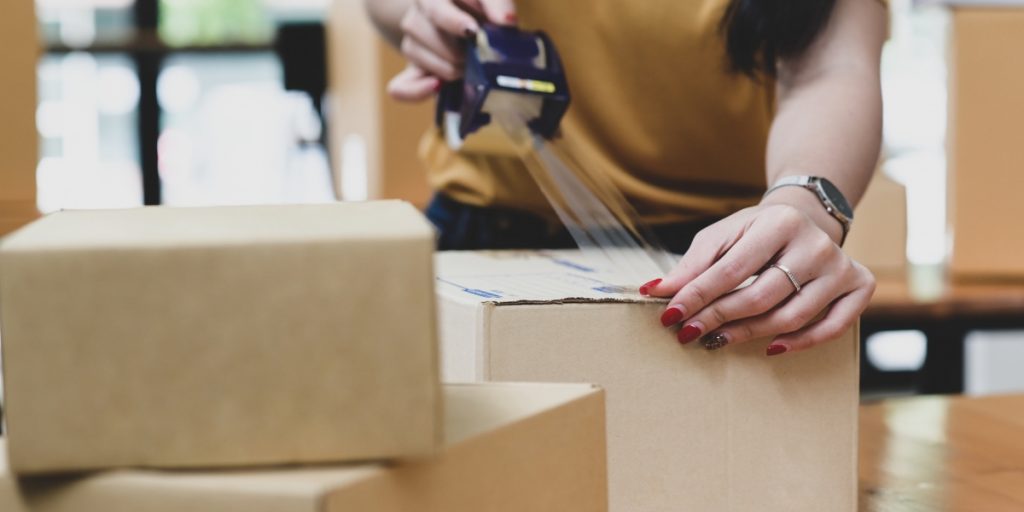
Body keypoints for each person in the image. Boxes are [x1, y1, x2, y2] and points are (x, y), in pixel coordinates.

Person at [365, 0, 885, 356]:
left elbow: (834, 66)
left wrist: (804, 206)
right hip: (481, 240)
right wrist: (419, 15)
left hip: (717, 265)